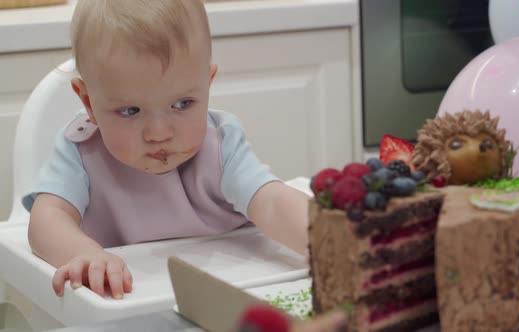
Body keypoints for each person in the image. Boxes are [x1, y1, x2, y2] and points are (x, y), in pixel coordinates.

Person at [24, 0, 309, 300]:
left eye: (183, 104)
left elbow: (273, 203)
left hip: (225, 293)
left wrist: (330, 240)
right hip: (131, 299)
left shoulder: (221, 147)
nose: (159, 134)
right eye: (130, 110)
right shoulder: (81, 153)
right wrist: (84, 254)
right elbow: (45, 221)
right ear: (89, 103)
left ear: (207, 84)